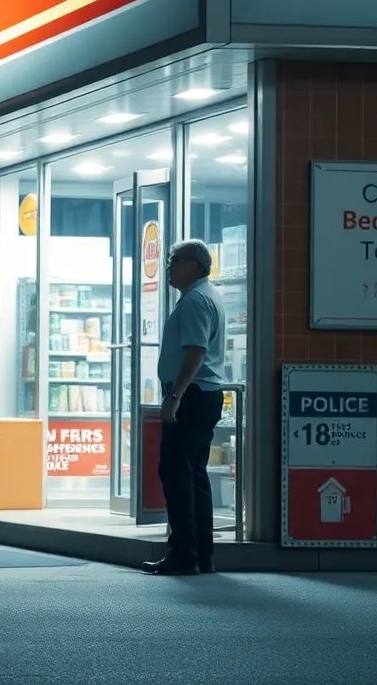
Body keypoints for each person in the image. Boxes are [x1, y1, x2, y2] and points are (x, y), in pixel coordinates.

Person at [143, 238, 227, 576]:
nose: (168, 267)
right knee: (194, 475)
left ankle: (183, 554)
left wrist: (174, 397)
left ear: (192, 264)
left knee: (176, 472)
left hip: (191, 395)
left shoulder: (195, 301)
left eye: (173, 260)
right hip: (202, 394)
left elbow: (195, 352)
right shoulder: (207, 296)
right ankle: (200, 554)